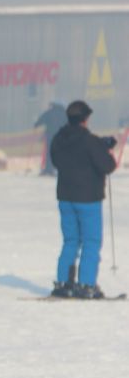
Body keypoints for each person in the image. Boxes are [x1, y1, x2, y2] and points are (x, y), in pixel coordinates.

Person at [49, 100, 118, 299]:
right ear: (85, 119)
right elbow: (107, 166)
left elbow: (57, 160)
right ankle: (87, 285)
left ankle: (64, 283)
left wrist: (98, 145)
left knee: (70, 240)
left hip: (65, 197)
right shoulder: (90, 141)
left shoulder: (58, 139)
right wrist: (105, 149)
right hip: (88, 199)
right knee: (91, 241)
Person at [33, 101, 67, 177]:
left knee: (49, 153)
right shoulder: (65, 114)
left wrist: (36, 124)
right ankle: (58, 169)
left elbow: (40, 120)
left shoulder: (49, 113)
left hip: (50, 136)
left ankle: (48, 169)